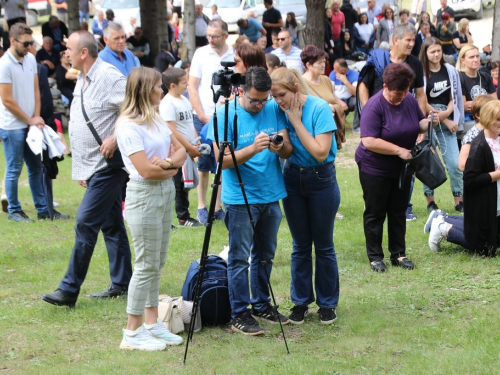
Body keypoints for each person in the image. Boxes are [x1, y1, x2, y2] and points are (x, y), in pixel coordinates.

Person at [41, 30, 132, 307]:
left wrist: (116, 138)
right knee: (111, 224)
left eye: (69, 48)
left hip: (109, 166)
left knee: (85, 223)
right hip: (94, 166)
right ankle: (123, 281)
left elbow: (136, 106)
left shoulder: (109, 76)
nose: (64, 53)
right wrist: (84, 167)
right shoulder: (82, 76)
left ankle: (69, 290)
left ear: (83, 53)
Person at [206, 66, 293, 335]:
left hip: (270, 193)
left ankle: (261, 304)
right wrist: (253, 148)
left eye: (263, 100)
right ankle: (239, 313)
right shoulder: (224, 114)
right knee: (239, 258)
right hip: (240, 198)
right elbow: (223, 162)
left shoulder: (273, 108)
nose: (259, 105)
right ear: (240, 90)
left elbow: (288, 148)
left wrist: (280, 147)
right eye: (254, 100)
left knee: (265, 255)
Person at [115, 67, 185, 351]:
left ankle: (152, 323)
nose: (162, 91)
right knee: (144, 265)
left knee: (158, 262)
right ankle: (131, 334)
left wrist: (168, 164)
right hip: (143, 196)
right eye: (158, 86)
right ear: (145, 90)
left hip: (164, 191)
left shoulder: (156, 117)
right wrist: (169, 167)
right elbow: (144, 170)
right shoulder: (128, 126)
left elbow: (180, 151)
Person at [270, 67, 340, 325]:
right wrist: (279, 147)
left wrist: (297, 121)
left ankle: (328, 304)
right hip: (292, 178)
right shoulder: (279, 110)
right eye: (274, 96)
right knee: (300, 246)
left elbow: (320, 152)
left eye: (281, 95)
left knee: (323, 245)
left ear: (295, 89)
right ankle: (300, 302)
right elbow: (287, 151)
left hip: (321, 178)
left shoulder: (320, 108)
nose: (278, 101)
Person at [356, 63, 429, 272]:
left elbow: (419, 122)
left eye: (406, 92)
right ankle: (375, 256)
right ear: (385, 86)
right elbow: (369, 140)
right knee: (375, 212)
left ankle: (399, 254)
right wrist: (398, 150)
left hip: (402, 167)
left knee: (398, 211)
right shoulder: (374, 105)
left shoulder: (409, 99)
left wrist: (431, 121)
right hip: (375, 168)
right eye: (398, 93)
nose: (402, 96)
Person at [427, 100, 500, 256]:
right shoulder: (479, 145)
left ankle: (442, 218)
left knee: (494, 242)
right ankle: (442, 228)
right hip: (484, 204)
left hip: (496, 203)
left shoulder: (497, 138)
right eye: (498, 119)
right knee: (485, 249)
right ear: (486, 119)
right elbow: (470, 179)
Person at [0, 23, 51, 222]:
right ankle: (14, 210)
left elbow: (35, 89)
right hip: (12, 126)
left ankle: (42, 209)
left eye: (32, 43)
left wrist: (36, 119)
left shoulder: (30, 58)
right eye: (26, 43)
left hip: (30, 124)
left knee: (36, 167)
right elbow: (7, 100)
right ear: (12, 41)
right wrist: (29, 119)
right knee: (14, 168)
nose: (30, 47)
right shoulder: (4, 65)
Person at [188, 19, 234, 224]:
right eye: (208, 35)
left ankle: (217, 207)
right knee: (204, 163)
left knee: (222, 161)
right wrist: (202, 115)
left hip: (225, 115)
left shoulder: (233, 54)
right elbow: (192, 86)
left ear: (225, 35)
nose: (210, 39)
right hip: (204, 115)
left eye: (214, 36)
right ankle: (201, 206)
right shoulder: (201, 53)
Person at [419, 37, 464, 213]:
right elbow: (422, 100)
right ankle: (430, 201)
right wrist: (442, 117)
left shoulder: (450, 70)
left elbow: (455, 95)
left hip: (447, 118)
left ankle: (459, 200)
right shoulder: (421, 73)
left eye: (439, 50)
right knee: (428, 163)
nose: (436, 54)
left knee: (454, 163)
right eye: (432, 51)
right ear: (426, 53)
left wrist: (447, 117)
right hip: (428, 121)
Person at [159, 68, 203, 228]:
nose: (187, 85)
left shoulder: (184, 100)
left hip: (188, 149)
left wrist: (196, 141)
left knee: (184, 185)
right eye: (184, 82)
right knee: (175, 185)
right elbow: (172, 130)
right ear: (172, 85)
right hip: (177, 151)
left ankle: (183, 217)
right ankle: (179, 218)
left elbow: (189, 124)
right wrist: (186, 148)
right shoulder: (168, 104)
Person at [301, 45, 346, 151]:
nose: (323, 65)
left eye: (324, 61)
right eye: (319, 62)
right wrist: (324, 109)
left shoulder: (326, 80)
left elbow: (335, 100)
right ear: (308, 65)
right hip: (313, 131)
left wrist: (334, 108)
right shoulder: (300, 84)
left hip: (330, 127)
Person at [457, 44, 497, 145]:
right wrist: (487, 104)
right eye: (471, 57)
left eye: (477, 56)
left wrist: (477, 104)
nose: (475, 59)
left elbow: (495, 102)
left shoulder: (485, 77)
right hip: (469, 123)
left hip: (488, 122)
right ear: (462, 60)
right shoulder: (459, 78)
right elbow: (464, 105)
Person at [458, 95, 495, 171]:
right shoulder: (472, 136)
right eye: (489, 113)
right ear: (478, 115)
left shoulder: (495, 131)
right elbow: (462, 165)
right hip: (483, 177)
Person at [330, 58, 360, 131]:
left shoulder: (355, 75)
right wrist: (340, 102)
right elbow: (330, 91)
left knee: (359, 101)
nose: (334, 70)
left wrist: (345, 81)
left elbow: (356, 93)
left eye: (336, 68)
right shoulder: (333, 74)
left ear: (343, 70)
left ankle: (356, 127)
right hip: (336, 100)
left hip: (349, 99)